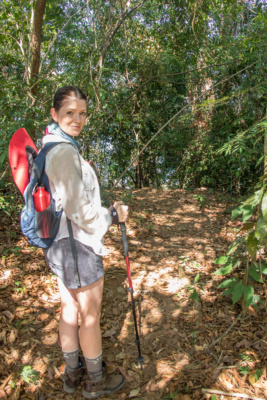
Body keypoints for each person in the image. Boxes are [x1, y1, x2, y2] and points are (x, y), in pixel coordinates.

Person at [42, 85, 128, 398]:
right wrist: (111, 216)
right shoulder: (63, 152)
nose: (77, 119)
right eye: (69, 113)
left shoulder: (54, 146)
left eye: (82, 114)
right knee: (89, 317)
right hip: (78, 246)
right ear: (54, 114)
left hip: (60, 245)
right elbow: (80, 211)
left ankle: (72, 375)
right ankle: (95, 381)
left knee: (68, 308)